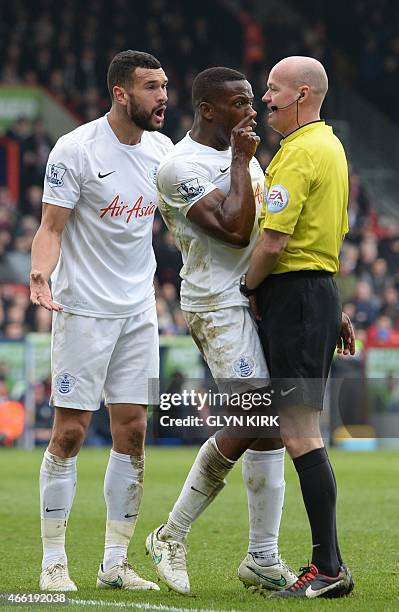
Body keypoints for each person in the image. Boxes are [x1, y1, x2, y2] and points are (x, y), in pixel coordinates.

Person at [145, 67, 299, 596]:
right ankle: (171, 532)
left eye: (252, 100)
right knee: (257, 412)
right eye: (238, 103)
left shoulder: (247, 156)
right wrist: (238, 159)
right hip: (215, 304)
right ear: (208, 109)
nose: (251, 111)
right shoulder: (178, 167)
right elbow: (235, 233)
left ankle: (262, 557)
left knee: (272, 425)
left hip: (256, 298)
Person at [30, 50, 172, 592]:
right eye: (152, 87)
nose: (163, 97)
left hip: (138, 311)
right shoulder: (77, 149)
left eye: (165, 86)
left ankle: (115, 563)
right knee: (69, 433)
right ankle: (53, 562)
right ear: (121, 93)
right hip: (83, 309)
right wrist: (41, 275)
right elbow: (52, 227)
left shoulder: (163, 152)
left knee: (133, 433)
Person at [243, 55, 355, 598]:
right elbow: (329, 238)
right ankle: (329, 565)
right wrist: (334, 307)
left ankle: (328, 570)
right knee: (299, 429)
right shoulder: (332, 149)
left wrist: (247, 288)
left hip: (295, 299)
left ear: (303, 94)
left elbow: (275, 242)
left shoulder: (297, 153)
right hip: (317, 295)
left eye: (273, 90)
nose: (266, 99)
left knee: (300, 434)